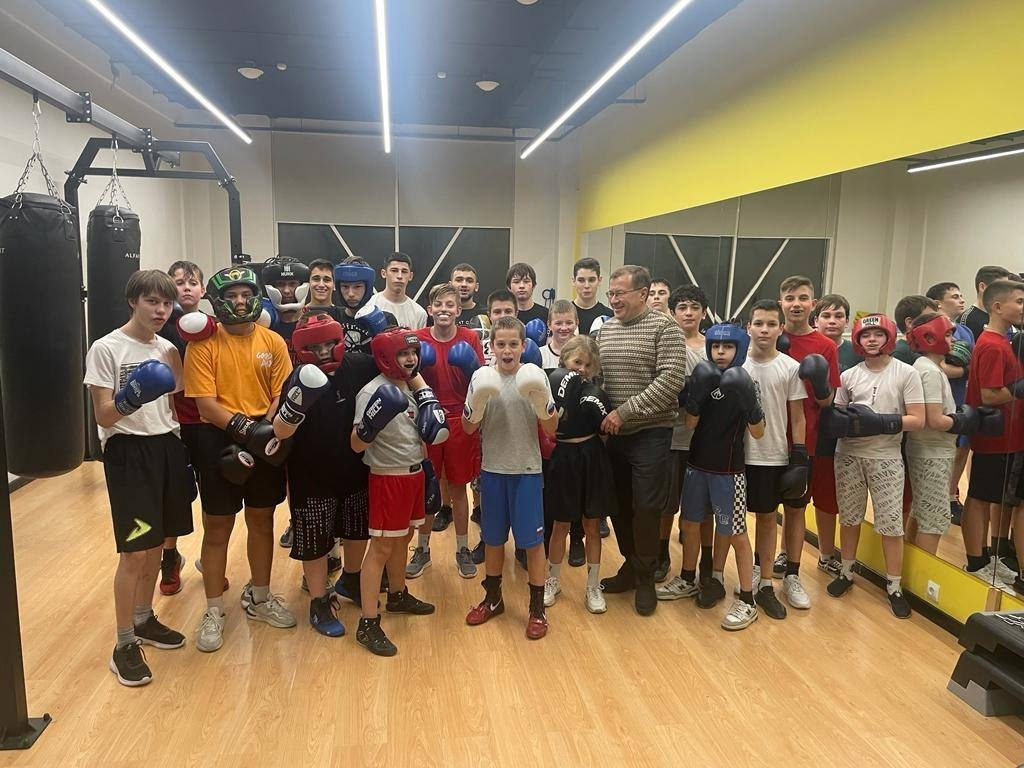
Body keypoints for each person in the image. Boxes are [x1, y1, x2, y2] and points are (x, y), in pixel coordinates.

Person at [84, 270, 191, 686]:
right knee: (134, 552)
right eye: (151, 302)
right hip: (129, 453)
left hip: (166, 448)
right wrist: (131, 397)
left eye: (165, 303)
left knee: (157, 545)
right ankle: (124, 643)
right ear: (133, 301)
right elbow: (102, 416)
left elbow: (175, 404)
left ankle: (144, 619)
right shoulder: (106, 348)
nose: (160, 310)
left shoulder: (168, 349)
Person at [184, 266, 296, 653]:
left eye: (245, 294)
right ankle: (214, 609)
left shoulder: (273, 341)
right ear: (218, 302)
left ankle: (260, 598)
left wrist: (264, 430)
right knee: (217, 526)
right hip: (218, 437)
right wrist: (249, 432)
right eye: (231, 296)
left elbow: (281, 393)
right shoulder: (203, 345)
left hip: (265, 432)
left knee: (262, 520)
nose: (240, 301)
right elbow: (205, 405)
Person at [270, 312, 381, 636]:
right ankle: (318, 600)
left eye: (330, 344)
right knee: (315, 538)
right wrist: (293, 408)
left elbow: (398, 367)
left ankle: (351, 579)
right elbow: (279, 431)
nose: (323, 353)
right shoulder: (297, 378)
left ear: (340, 341)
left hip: (354, 464)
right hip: (310, 471)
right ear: (302, 350)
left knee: (358, 528)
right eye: (315, 348)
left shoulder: (360, 365)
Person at [595, 265, 687, 615]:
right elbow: (601, 378)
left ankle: (646, 576)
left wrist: (625, 412)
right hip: (614, 434)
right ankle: (631, 566)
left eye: (620, 293)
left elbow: (671, 381)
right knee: (619, 505)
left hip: (651, 432)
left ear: (643, 294)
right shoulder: (606, 330)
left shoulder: (665, 328)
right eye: (611, 294)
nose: (614, 300)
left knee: (647, 507)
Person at [463, 317, 559, 639]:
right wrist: (475, 405)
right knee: (493, 540)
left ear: (523, 346)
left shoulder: (534, 376)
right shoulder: (482, 377)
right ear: (491, 346)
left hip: (527, 472)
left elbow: (551, 429)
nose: (507, 350)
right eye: (501, 344)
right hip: (493, 471)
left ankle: (537, 609)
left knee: (532, 543)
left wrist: (543, 404)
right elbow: (467, 428)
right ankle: (493, 599)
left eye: (513, 344)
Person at [824, 314, 925, 618]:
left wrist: (881, 422)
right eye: (865, 335)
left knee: (891, 523)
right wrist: (843, 422)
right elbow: (836, 414)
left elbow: (918, 420)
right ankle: (846, 571)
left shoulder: (906, 373)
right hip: (849, 455)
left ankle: (894, 586)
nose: (871, 340)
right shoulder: (849, 375)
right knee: (849, 517)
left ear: (889, 337)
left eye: (877, 334)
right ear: (857, 339)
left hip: (886, 457)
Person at [351, 328, 444, 655]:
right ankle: (367, 622)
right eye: (403, 354)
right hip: (388, 477)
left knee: (404, 538)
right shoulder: (371, 392)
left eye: (413, 353)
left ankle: (398, 595)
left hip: (414, 472)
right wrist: (370, 425)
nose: (410, 359)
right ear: (386, 357)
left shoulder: (413, 384)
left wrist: (427, 469)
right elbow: (355, 444)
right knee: (381, 548)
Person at [674, 323, 766, 630]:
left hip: (728, 471)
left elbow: (758, 432)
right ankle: (688, 578)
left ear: (739, 350)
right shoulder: (703, 376)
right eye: (716, 347)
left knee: (736, 533)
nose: (721, 352)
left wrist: (750, 404)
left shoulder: (746, 382)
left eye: (727, 347)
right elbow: (690, 424)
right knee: (689, 523)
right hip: (697, 465)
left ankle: (748, 600)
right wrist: (696, 396)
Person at [905, 312, 1000, 555]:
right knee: (934, 519)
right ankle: (923, 575)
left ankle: (910, 568)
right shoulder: (930, 371)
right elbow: (934, 420)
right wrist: (968, 421)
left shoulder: (927, 367)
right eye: (948, 335)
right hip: (932, 452)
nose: (954, 340)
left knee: (921, 512)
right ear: (929, 337)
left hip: (929, 450)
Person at [407, 283, 485, 579]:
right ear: (430, 309)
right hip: (427, 416)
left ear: (458, 309)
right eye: (438, 304)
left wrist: (471, 368)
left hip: (460, 420)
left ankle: (462, 549)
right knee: (428, 488)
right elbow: (405, 376)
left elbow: (481, 381)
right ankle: (422, 550)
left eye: (450, 305)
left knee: (458, 488)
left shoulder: (469, 338)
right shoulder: (418, 338)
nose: (444, 309)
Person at [739, 300, 807, 618]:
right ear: (748, 327)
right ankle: (732, 576)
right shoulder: (737, 365)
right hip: (736, 454)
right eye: (758, 323)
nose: (764, 330)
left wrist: (799, 455)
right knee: (732, 522)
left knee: (767, 518)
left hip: (772, 455)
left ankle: (766, 583)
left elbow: (798, 416)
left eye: (770, 324)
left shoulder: (790, 367)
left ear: (781, 328)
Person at [776, 276, 840, 604]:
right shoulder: (768, 335)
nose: (796, 304)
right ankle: (759, 569)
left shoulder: (825, 346)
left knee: (796, 507)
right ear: (781, 303)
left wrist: (818, 381)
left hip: (805, 439)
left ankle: (793, 574)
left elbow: (828, 401)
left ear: (812, 304)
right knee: (762, 510)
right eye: (790, 298)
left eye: (803, 298)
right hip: (766, 436)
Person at [544, 335, 615, 614]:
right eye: (577, 362)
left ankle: (593, 585)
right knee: (560, 524)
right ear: (564, 360)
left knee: (591, 525)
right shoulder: (552, 386)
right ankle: (552, 580)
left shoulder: (595, 393)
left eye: (587, 365)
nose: (582, 369)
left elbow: (606, 431)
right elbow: (547, 426)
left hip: (591, 455)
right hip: (563, 456)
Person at [962, 279, 1024, 590]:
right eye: (1019, 302)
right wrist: (1018, 390)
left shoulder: (1003, 343)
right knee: (979, 497)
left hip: (1007, 437)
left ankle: (985, 556)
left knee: (991, 497)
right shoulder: (992, 345)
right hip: (994, 437)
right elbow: (989, 395)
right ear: (998, 307)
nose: (1023, 308)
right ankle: (975, 561)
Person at [155, 260, 205, 595]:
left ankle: (211, 558)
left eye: (192, 282)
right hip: (172, 424)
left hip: (207, 421)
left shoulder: (214, 328)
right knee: (174, 495)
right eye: (179, 282)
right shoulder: (160, 330)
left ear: (202, 289)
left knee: (215, 495)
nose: (186, 287)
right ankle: (169, 556)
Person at [656, 285, 711, 585]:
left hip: (707, 438)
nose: (688, 313)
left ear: (704, 312)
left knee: (704, 507)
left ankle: (707, 559)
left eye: (694, 307)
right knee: (667, 503)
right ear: (673, 312)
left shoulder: (714, 346)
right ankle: (661, 553)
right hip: (673, 434)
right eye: (682, 308)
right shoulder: (666, 343)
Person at [926, 281, 976, 525]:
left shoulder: (965, 331)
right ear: (938, 303)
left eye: (961, 295)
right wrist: (966, 371)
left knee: (962, 450)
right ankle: (934, 498)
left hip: (962, 398)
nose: (961, 300)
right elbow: (939, 368)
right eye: (954, 296)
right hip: (941, 400)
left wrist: (966, 370)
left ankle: (951, 496)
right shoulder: (931, 330)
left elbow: (971, 363)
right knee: (944, 451)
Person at [334, 257, 397, 354]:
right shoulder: (332, 317)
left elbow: (394, 357)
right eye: (345, 286)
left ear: (367, 288)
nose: (351, 294)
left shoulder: (386, 319)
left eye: (357, 287)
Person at [262, 257, 311, 354]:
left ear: (302, 285)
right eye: (280, 284)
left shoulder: (314, 321)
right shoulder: (263, 324)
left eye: (292, 284)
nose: (286, 291)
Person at [366, 252, 427, 329]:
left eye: (404, 271)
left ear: (410, 276)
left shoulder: (419, 313)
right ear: (384, 273)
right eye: (394, 270)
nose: (399, 276)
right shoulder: (369, 306)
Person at [958, 265, 1016, 341]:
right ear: (982, 287)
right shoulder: (967, 319)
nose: (1006, 293)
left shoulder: (1002, 315)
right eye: (1000, 288)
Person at [812, 294, 862, 373]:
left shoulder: (857, 352)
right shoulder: (804, 347)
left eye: (838, 316)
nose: (832, 321)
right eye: (826, 316)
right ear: (816, 321)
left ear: (847, 322)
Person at [891, 295, 939, 364]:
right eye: (930, 318)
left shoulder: (920, 350)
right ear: (910, 323)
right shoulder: (901, 353)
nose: (935, 323)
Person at [572, 257, 612, 333]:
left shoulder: (609, 316)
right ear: (574, 281)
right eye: (581, 280)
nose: (586, 285)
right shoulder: (563, 315)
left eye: (591, 280)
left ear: (599, 280)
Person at [481, 288, 517, 365]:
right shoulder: (479, 344)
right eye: (497, 312)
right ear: (489, 315)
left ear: (516, 314)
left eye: (508, 311)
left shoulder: (524, 344)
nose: (502, 316)